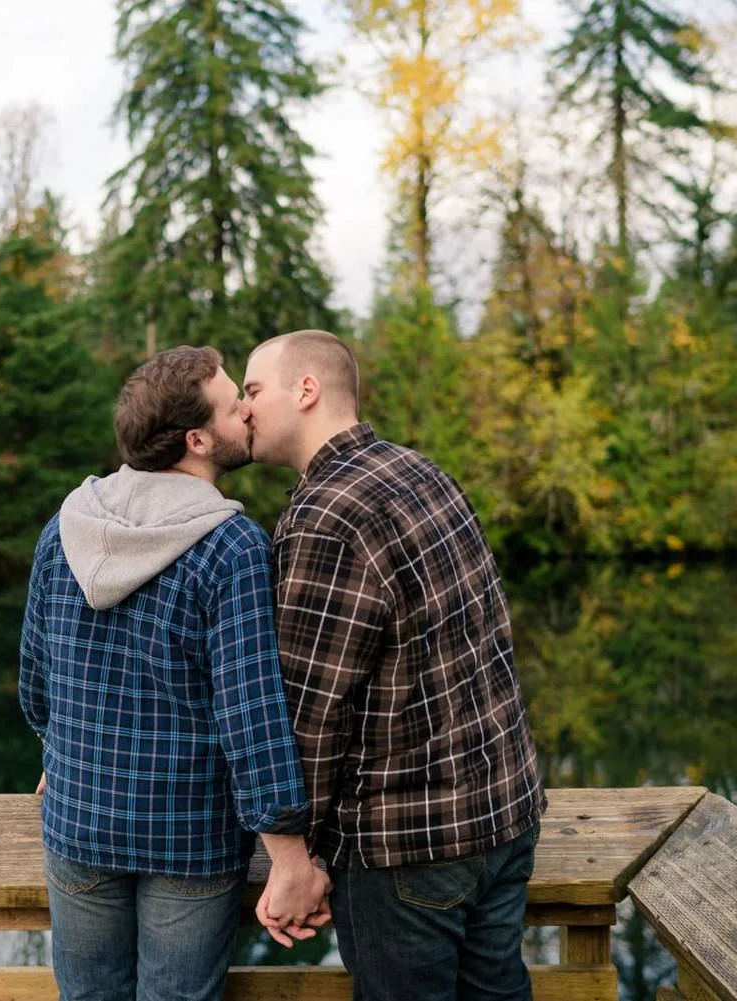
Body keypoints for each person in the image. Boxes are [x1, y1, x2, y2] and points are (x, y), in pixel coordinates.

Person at [240, 329, 546, 1001]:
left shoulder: (327, 514)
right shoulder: (420, 470)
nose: (243, 410)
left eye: (254, 390)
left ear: (307, 389)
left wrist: (297, 856)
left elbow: (309, 713)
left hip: (411, 849)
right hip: (504, 816)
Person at [19, 345, 331, 1001]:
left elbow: (35, 683)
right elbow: (252, 717)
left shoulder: (64, 527)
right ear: (197, 439)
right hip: (188, 839)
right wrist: (290, 856)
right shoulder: (231, 548)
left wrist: (57, 750)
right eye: (230, 404)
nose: (246, 410)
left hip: (78, 824)